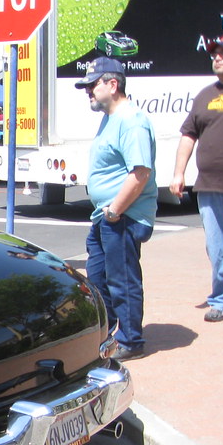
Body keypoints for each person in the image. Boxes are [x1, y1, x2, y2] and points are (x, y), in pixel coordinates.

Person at [75, 57, 157, 361]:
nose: (88, 91)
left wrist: (115, 211)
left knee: (122, 281)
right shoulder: (112, 117)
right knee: (97, 279)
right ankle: (105, 335)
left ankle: (131, 340)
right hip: (106, 216)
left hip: (123, 216)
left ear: (113, 84)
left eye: (92, 84)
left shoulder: (131, 120)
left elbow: (140, 172)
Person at [169, 35, 223, 322]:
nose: (216, 57)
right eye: (213, 53)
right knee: (217, 249)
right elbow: (188, 135)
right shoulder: (205, 95)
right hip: (209, 187)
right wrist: (179, 173)